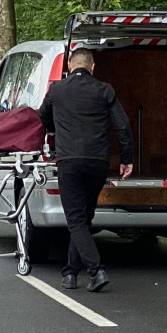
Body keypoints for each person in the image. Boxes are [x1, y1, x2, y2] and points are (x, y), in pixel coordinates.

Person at [38, 48, 133, 293]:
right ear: (92, 67)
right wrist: (126, 159)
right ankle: (70, 273)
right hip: (97, 162)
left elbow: (42, 118)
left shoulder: (57, 90)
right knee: (83, 218)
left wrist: (56, 128)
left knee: (76, 220)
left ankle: (96, 270)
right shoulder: (104, 90)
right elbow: (123, 126)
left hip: (69, 161)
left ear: (70, 66)